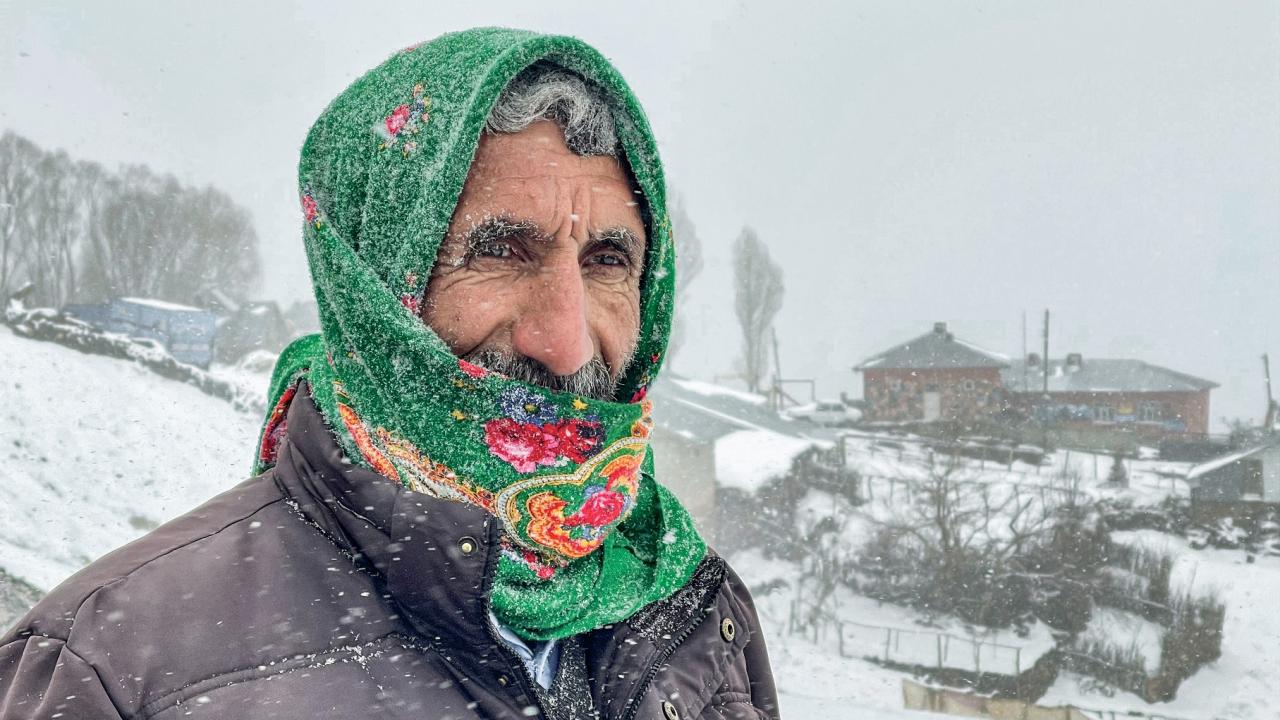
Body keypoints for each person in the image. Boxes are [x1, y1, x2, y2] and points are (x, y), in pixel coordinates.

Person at [0, 28, 779, 720]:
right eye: (501, 251)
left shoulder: (695, 610)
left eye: (607, 261)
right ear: (368, 287)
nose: (568, 345)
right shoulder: (113, 669)